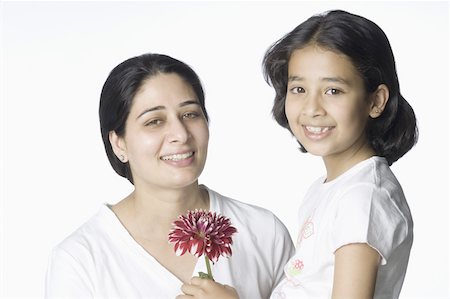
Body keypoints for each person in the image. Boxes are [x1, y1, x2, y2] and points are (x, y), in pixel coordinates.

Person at [179, 9, 418, 299]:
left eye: (333, 90)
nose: (311, 108)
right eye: (299, 88)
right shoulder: (332, 189)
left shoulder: (362, 199)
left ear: (376, 100)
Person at [44, 53, 295, 299]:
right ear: (119, 143)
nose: (181, 134)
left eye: (190, 114)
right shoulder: (80, 260)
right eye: (154, 121)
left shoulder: (264, 233)